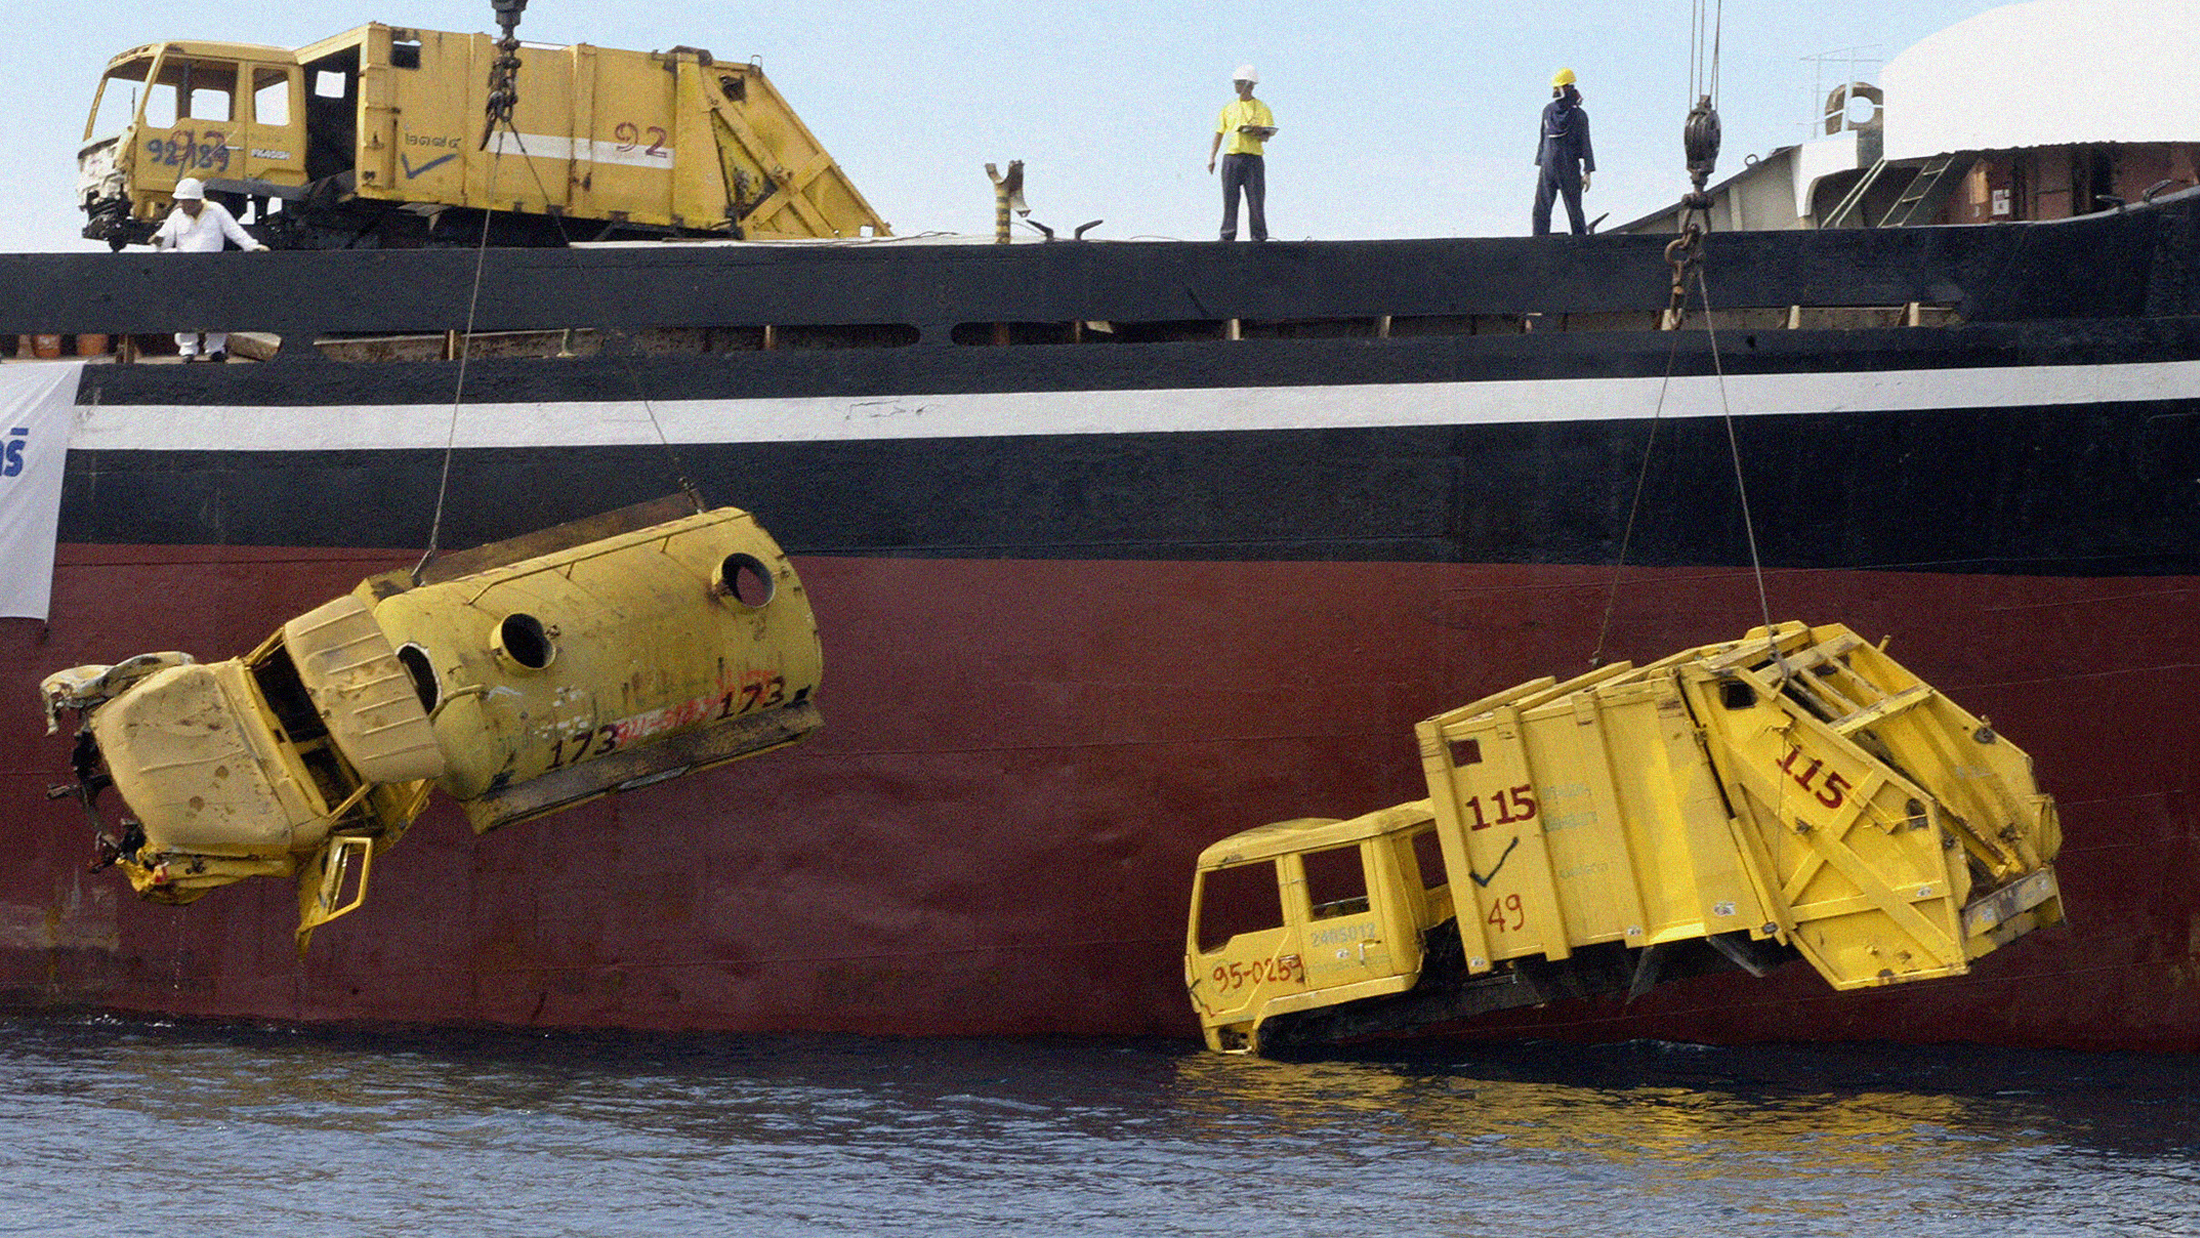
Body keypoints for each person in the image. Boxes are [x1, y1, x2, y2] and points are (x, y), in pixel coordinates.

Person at [152, 177, 269, 361]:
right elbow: (165, 241)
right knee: (186, 311)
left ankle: (215, 349)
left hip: (213, 269)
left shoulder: (216, 211)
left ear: (197, 200)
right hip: (186, 269)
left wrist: (252, 246)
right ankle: (188, 350)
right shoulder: (176, 215)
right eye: (180, 201)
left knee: (216, 309)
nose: (182, 205)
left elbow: (234, 231)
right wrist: (158, 240)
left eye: (185, 201)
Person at [1207, 65, 1276, 242]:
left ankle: (1259, 236)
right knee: (1230, 199)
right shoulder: (1228, 108)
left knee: (1255, 199)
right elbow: (1219, 133)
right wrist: (1212, 157)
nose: (1235, 86)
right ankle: (1227, 234)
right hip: (1232, 158)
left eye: (1238, 83)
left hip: (1253, 158)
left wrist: (1257, 132)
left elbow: (1266, 136)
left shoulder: (1262, 108)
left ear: (1247, 85)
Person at [1533, 68, 1596, 237]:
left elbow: (1585, 143)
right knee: (1541, 209)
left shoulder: (1578, 115)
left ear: (1568, 88)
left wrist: (1587, 171)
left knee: (1574, 209)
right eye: (1554, 88)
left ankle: (1580, 244)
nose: (1555, 91)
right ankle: (1538, 242)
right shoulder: (1548, 111)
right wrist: (1540, 161)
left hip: (1568, 167)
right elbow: (1542, 138)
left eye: (1558, 87)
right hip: (1548, 167)